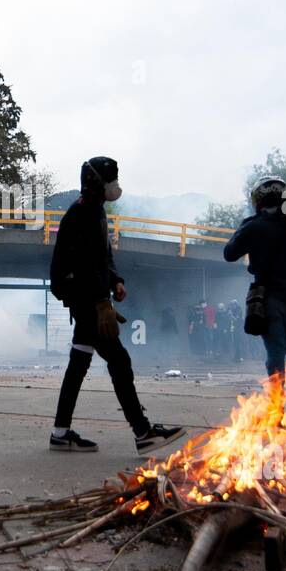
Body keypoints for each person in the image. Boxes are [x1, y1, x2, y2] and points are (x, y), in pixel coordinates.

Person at [48, 156, 185, 454]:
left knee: (79, 363)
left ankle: (60, 432)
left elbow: (102, 257)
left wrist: (116, 280)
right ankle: (142, 431)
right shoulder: (81, 214)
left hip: (91, 298)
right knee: (120, 361)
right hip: (87, 301)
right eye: (111, 179)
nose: (115, 185)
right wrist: (100, 303)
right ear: (97, 183)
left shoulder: (96, 211)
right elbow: (83, 266)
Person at [223, 176, 286, 423]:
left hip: (270, 299)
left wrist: (247, 225)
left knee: (275, 355)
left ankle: (275, 413)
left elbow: (229, 253)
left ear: (259, 201)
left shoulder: (254, 226)